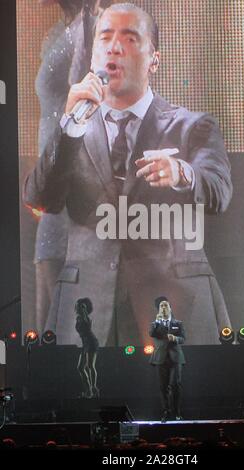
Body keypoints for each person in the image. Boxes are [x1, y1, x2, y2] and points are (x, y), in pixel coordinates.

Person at [24, 2, 233, 346]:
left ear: (154, 59)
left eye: (130, 38)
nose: (114, 46)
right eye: (105, 37)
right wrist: (70, 127)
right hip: (86, 312)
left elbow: (219, 190)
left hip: (171, 306)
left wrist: (182, 172)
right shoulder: (74, 130)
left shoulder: (194, 126)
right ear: (92, 57)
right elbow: (39, 197)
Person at [32, 0, 104, 336]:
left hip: (72, 190)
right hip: (52, 179)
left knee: (63, 323)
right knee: (47, 323)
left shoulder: (92, 28)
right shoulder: (63, 30)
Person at [149, 297, 185, 422]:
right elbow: (152, 334)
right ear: (159, 309)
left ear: (170, 308)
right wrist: (158, 321)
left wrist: (175, 338)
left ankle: (177, 412)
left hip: (175, 358)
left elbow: (183, 338)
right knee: (163, 386)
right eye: (161, 306)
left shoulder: (178, 323)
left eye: (166, 305)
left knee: (175, 384)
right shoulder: (155, 324)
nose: (164, 307)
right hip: (160, 358)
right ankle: (166, 411)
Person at [75, 297, 99, 398]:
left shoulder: (86, 318)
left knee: (90, 366)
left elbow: (87, 323)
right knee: (80, 368)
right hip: (85, 343)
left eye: (79, 306)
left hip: (91, 342)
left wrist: (84, 310)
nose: (76, 307)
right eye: (77, 305)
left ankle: (93, 389)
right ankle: (88, 390)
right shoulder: (78, 318)